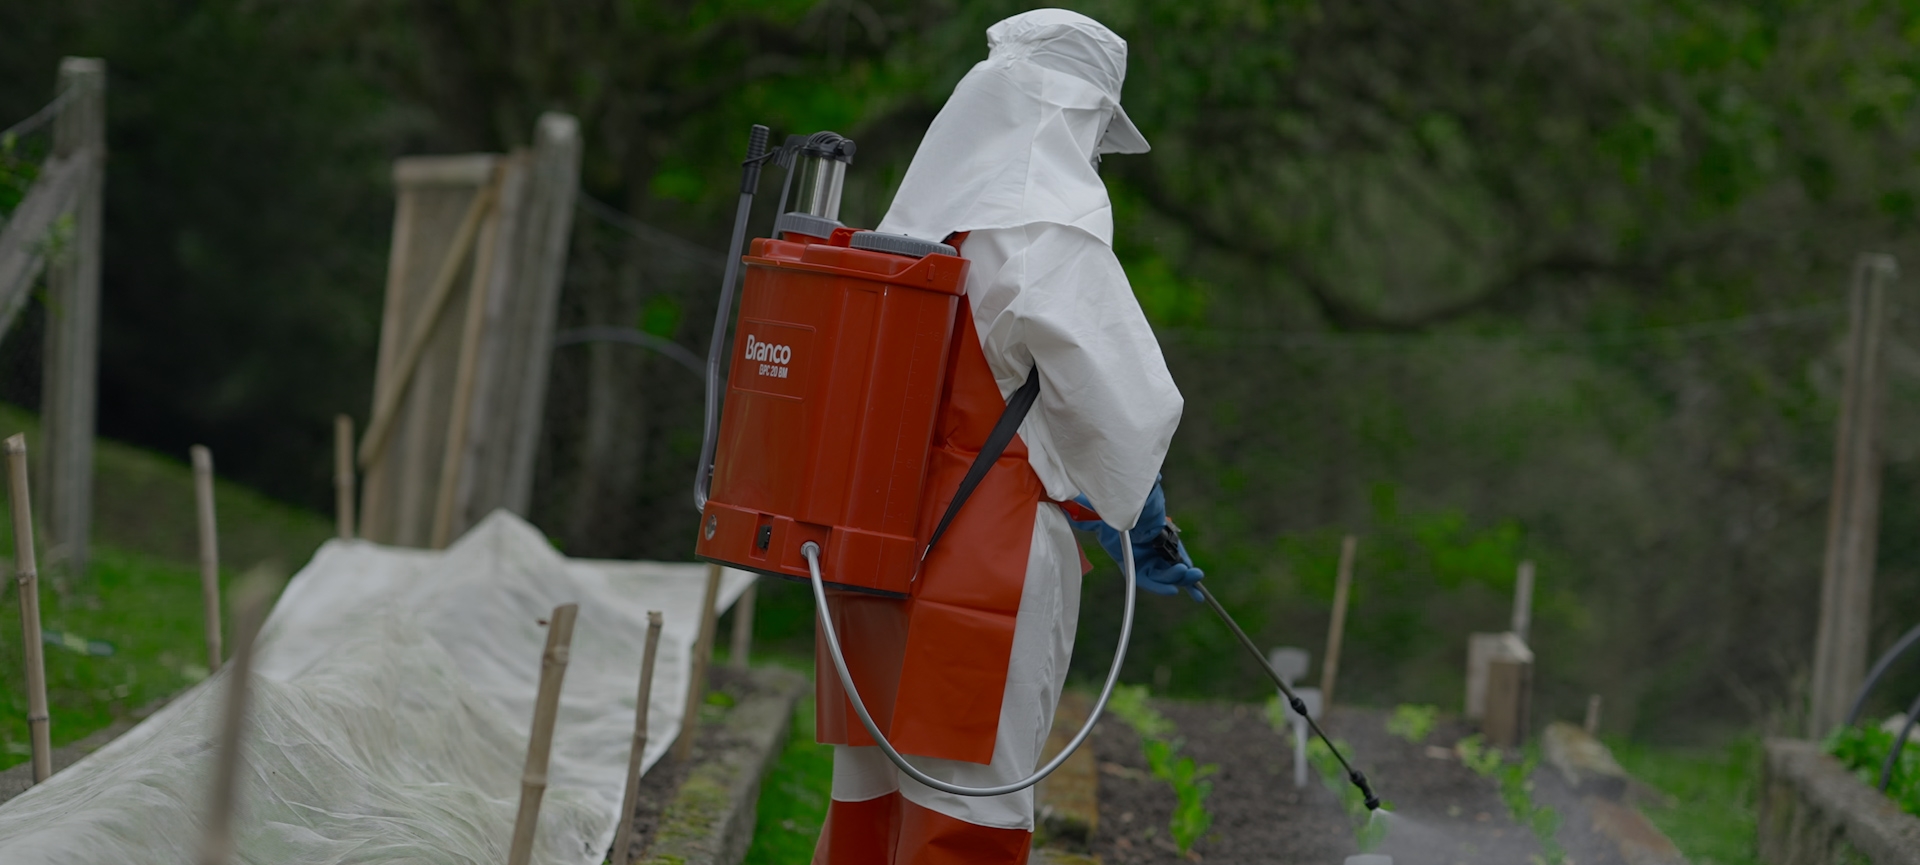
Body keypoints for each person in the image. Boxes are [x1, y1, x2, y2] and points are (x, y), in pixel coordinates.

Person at [811, 9, 1197, 864]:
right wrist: (1132, 510)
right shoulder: (1049, 234)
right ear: (1073, 113)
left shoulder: (920, 218)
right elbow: (1127, 412)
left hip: (874, 546)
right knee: (967, 814)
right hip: (985, 555)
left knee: (869, 800)